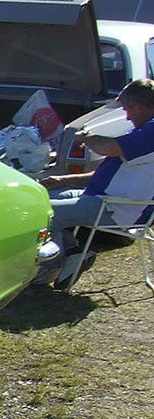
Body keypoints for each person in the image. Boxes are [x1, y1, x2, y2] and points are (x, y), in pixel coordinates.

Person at [39, 78, 154, 288]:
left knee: (42, 214)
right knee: (38, 200)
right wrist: (61, 180)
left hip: (116, 207)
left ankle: (53, 265)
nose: (127, 116)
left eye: (128, 109)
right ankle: (73, 253)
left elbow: (106, 147)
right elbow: (104, 174)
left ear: (139, 107)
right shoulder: (143, 131)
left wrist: (84, 136)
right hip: (100, 198)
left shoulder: (152, 132)